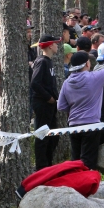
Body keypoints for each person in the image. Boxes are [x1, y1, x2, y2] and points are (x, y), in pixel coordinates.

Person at [58, 33, 104, 169]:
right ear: (87, 63)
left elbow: (61, 105)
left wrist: (74, 111)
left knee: (75, 160)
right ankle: (86, 186)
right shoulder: (94, 78)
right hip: (91, 125)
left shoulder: (67, 82)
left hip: (73, 125)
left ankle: (73, 185)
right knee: (88, 161)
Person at [31, 35, 61, 170]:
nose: (57, 46)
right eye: (55, 43)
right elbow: (35, 83)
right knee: (42, 136)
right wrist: (48, 97)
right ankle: (41, 166)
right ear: (50, 46)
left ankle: (48, 164)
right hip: (43, 104)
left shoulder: (49, 61)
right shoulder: (42, 62)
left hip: (50, 104)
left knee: (53, 136)